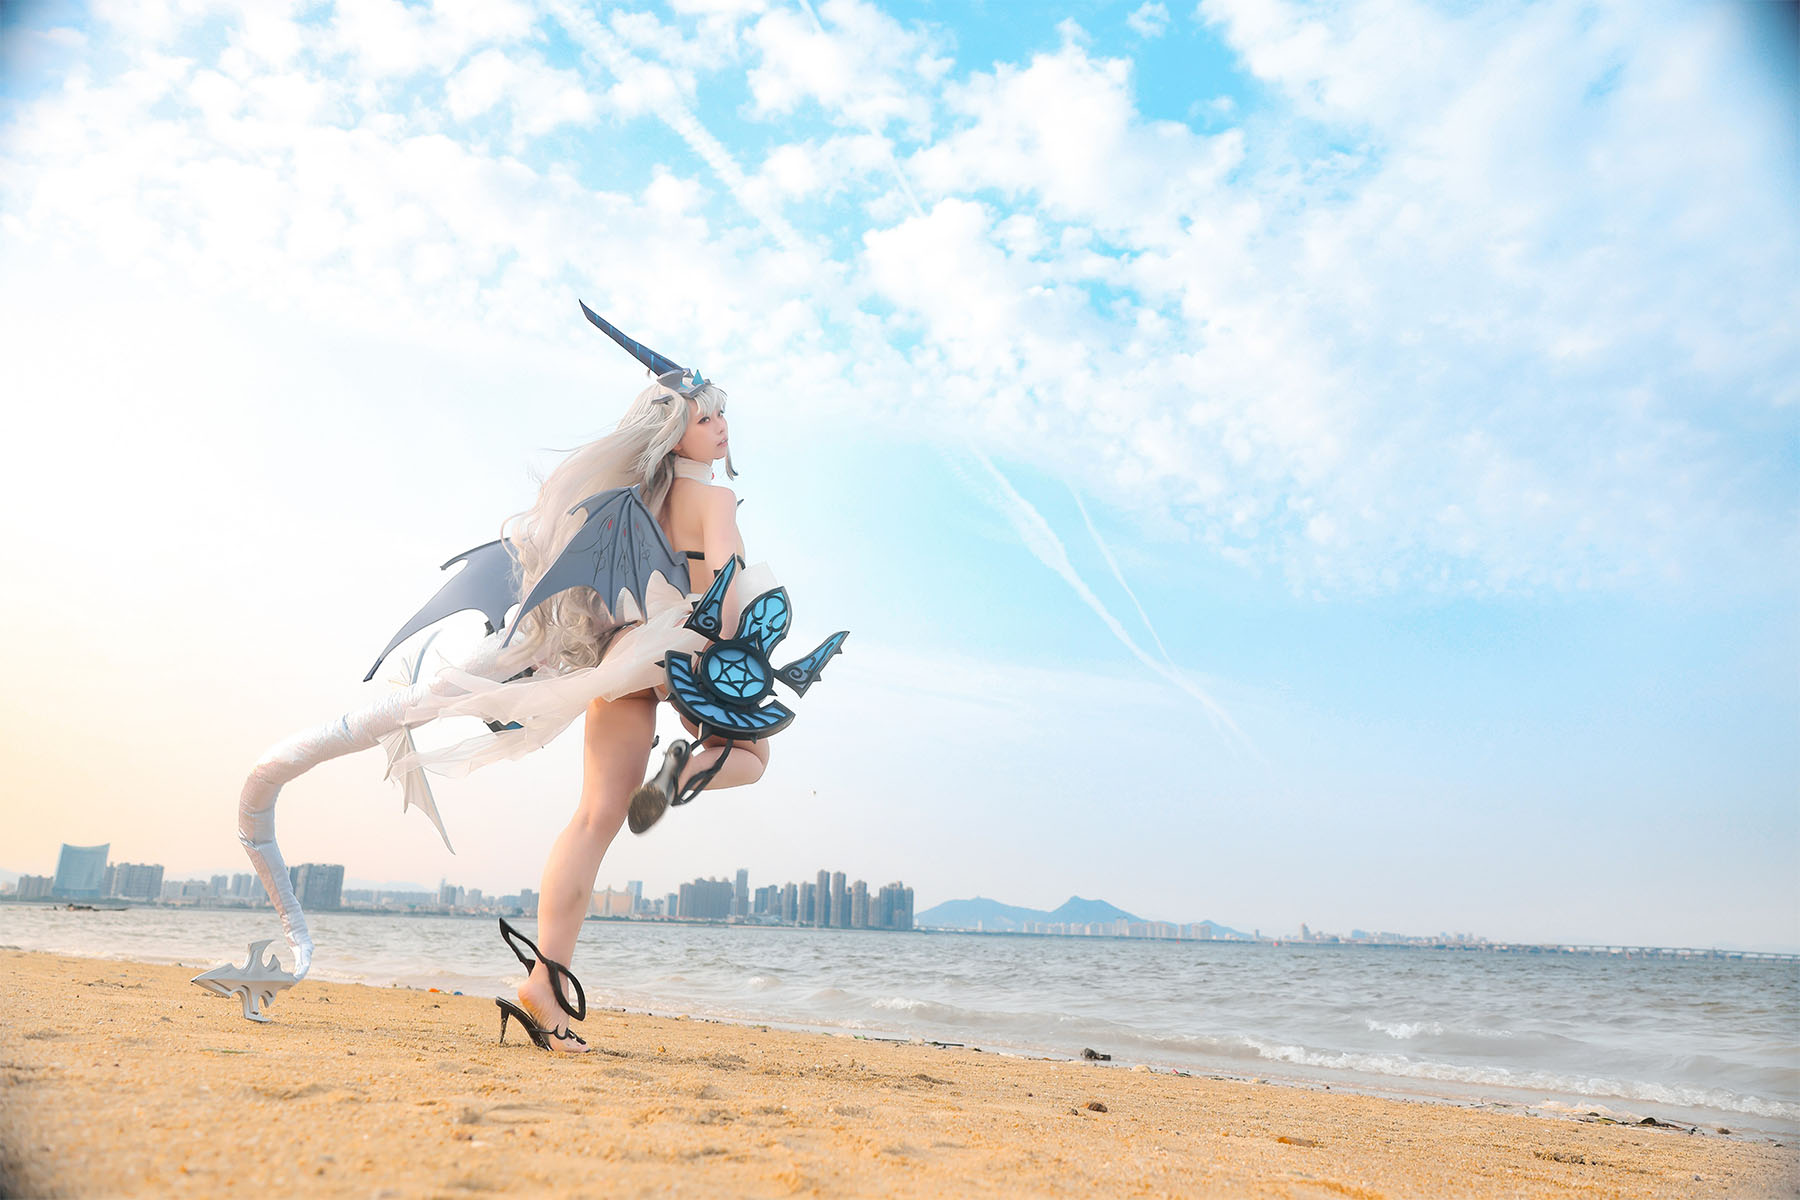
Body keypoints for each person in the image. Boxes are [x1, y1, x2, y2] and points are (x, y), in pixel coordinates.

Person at [234, 312, 778, 1053]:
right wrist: (724, 673)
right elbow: (725, 588)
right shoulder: (715, 502)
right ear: (674, 432)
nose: (720, 427)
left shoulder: (635, 502)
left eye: (720, 415)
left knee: (593, 820)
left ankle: (543, 990)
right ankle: (682, 772)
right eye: (704, 417)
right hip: (688, 649)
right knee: (753, 757)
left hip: (622, 652)